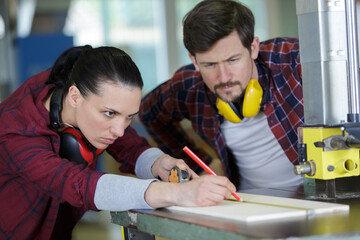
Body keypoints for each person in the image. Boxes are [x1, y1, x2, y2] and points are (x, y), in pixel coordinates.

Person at [0, 45, 236, 239]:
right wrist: (177, 194)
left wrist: (158, 162)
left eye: (129, 117)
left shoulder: (83, 87)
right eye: (110, 114)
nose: (120, 131)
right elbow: (79, 185)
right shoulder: (15, 131)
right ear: (74, 97)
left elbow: (130, 147)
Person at [139, 0, 304, 190]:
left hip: (317, 198)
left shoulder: (295, 61)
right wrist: (200, 166)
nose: (224, 77)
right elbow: (148, 112)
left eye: (233, 60)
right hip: (247, 204)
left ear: (253, 48)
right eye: (210, 65)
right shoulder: (190, 86)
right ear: (194, 60)